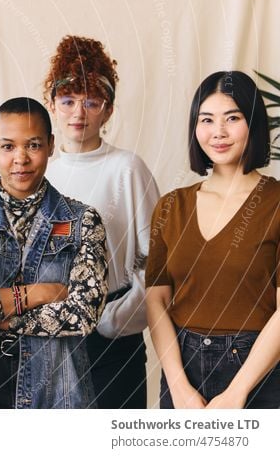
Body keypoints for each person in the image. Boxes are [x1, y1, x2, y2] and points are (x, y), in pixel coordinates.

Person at [0, 97, 108, 408]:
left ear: (51, 145)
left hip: (58, 398)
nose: (20, 159)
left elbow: (83, 313)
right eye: (8, 146)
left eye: (34, 145)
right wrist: (40, 293)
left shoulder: (83, 222)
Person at [146, 71, 280, 408]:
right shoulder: (171, 206)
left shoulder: (275, 202)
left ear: (253, 123)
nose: (218, 132)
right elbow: (156, 300)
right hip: (183, 367)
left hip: (261, 371)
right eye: (206, 120)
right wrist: (177, 385)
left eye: (232, 118)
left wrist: (238, 391)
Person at [44, 35, 159, 408]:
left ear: (107, 110)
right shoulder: (38, 174)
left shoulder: (127, 169)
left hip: (111, 340)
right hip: (50, 339)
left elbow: (155, 256)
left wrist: (116, 319)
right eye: (68, 101)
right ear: (52, 104)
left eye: (91, 102)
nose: (78, 113)